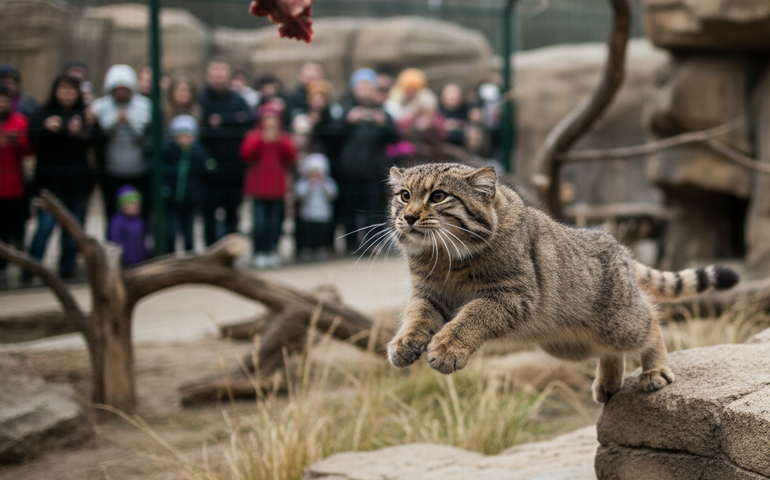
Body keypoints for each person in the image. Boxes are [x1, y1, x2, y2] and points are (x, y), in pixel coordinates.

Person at [25, 75, 95, 281]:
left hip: (78, 184)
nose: (67, 94)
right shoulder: (43, 112)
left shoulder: (85, 115)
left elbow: (99, 140)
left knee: (73, 232)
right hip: (49, 185)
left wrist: (84, 131)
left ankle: (67, 270)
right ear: (55, 91)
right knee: (44, 228)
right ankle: (30, 271)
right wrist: (46, 127)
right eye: (63, 89)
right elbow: (30, 134)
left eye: (72, 90)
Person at [336, 68, 399, 252]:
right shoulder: (345, 108)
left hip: (374, 169)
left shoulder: (381, 110)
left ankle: (374, 242)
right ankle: (351, 243)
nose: (364, 91)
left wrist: (384, 123)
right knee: (350, 207)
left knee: (373, 207)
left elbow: (394, 137)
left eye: (367, 87)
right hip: (349, 169)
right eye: (360, 87)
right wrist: (347, 121)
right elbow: (333, 136)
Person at [199, 58, 255, 245]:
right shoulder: (201, 99)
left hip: (234, 167)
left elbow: (248, 121)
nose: (219, 76)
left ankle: (231, 250)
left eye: (222, 72)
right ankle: (210, 251)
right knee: (209, 212)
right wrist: (234, 120)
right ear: (208, 75)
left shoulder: (238, 99)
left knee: (233, 211)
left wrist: (222, 121)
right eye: (215, 72)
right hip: (209, 168)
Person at [90, 64, 152, 221]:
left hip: (138, 169)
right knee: (112, 212)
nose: (122, 93)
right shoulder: (100, 106)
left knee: (140, 211)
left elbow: (144, 136)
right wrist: (115, 121)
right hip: (111, 169)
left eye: (125, 89)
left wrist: (129, 122)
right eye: (118, 89)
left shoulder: (144, 105)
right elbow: (98, 135)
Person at [240, 102, 297, 268]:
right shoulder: (253, 136)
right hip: (258, 189)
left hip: (277, 189)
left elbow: (292, 156)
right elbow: (246, 154)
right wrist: (261, 140)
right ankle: (259, 251)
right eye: (267, 119)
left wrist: (280, 141)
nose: (270, 123)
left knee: (275, 223)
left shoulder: (284, 137)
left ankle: (272, 250)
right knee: (259, 223)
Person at [163, 115, 211, 253]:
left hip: (191, 200)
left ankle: (189, 258)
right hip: (172, 200)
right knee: (171, 231)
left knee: (189, 233)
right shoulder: (168, 151)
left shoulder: (199, 153)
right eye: (180, 136)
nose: (184, 139)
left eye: (187, 136)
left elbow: (206, 172)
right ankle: (170, 258)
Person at [0, 83, 30, 284]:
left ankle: (19, 268)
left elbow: (29, 149)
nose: (2, 104)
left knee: (15, 231)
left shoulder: (20, 122)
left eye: (6, 100)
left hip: (15, 185)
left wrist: (16, 142)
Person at [294, 153, 338, 261]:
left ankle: (322, 248)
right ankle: (307, 250)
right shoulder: (304, 183)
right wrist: (309, 185)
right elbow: (300, 194)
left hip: (323, 214)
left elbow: (333, 194)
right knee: (308, 234)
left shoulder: (327, 183)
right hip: (307, 214)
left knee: (321, 233)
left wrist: (322, 184)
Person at [108, 185, 146, 266]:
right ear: (123, 205)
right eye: (132, 203)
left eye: (137, 202)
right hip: (123, 263)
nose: (136, 205)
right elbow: (115, 242)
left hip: (140, 261)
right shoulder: (117, 222)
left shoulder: (140, 220)